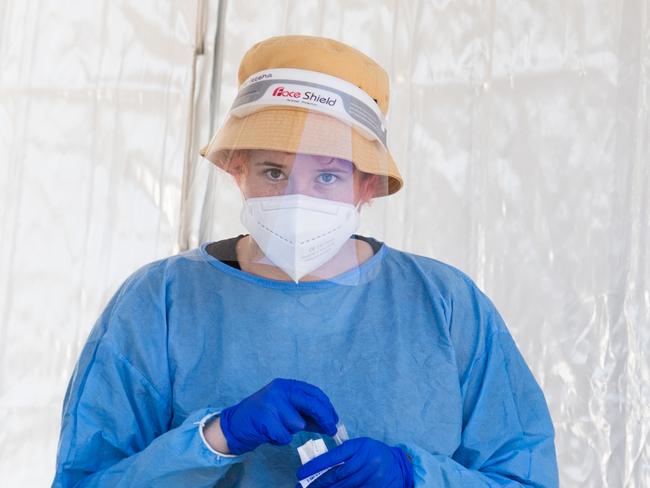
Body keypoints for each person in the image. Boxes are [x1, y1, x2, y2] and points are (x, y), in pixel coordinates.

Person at [52, 35, 559, 487]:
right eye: (274, 171)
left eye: (328, 176)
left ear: (367, 185)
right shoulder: (159, 302)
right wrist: (215, 438)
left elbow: (524, 476)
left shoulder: (445, 305)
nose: (297, 195)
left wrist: (412, 476)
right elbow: (83, 479)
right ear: (237, 167)